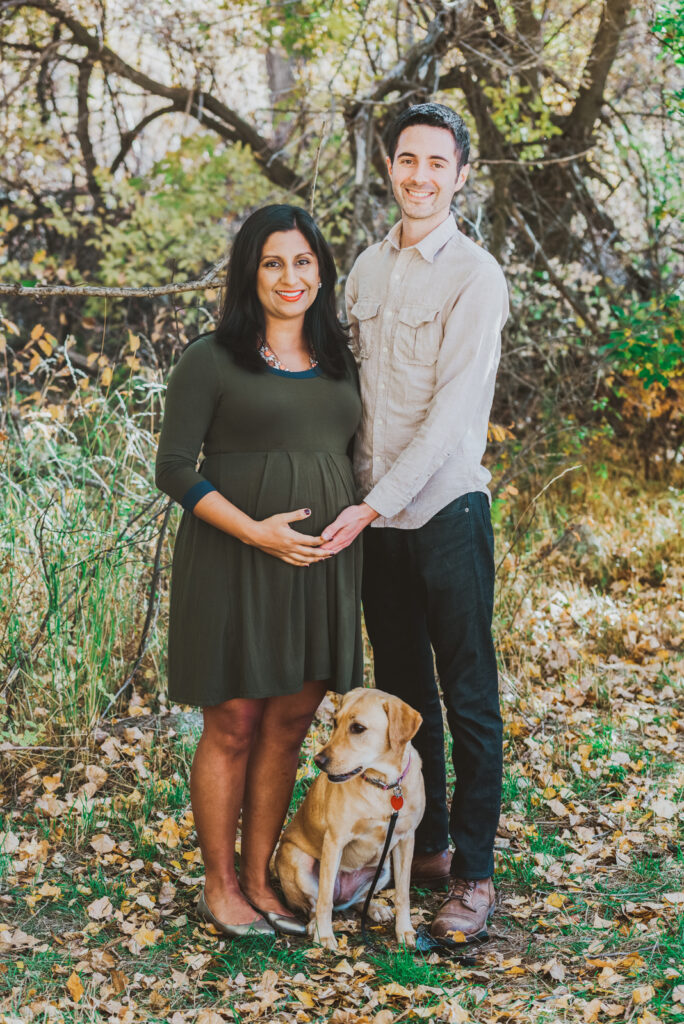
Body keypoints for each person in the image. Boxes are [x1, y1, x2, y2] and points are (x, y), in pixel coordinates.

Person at [320, 104, 509, 944]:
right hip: (375, 523)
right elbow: (344, 397)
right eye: (407, 160)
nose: (420, 176)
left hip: (444, 508)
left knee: (468, 698)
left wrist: (373, 501)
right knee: (402, 697)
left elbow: (447, 421)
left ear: (461, 173)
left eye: (438, 163)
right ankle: (423, 844)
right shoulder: (362, 270)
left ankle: (473, 871)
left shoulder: (477, 276)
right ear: (388, 166)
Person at [155, 205, 363, 939]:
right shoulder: (212, 359)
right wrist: (256, 533)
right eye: (273, 262)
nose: (289, 277)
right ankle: (218, 885)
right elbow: (174, 468)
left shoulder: (341, 358)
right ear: (250, 271)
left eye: (303, 262)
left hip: (318, 568)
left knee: (288, 724)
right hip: (235, 560)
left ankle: (258, 877)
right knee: (236, 722)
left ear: (321, 272)